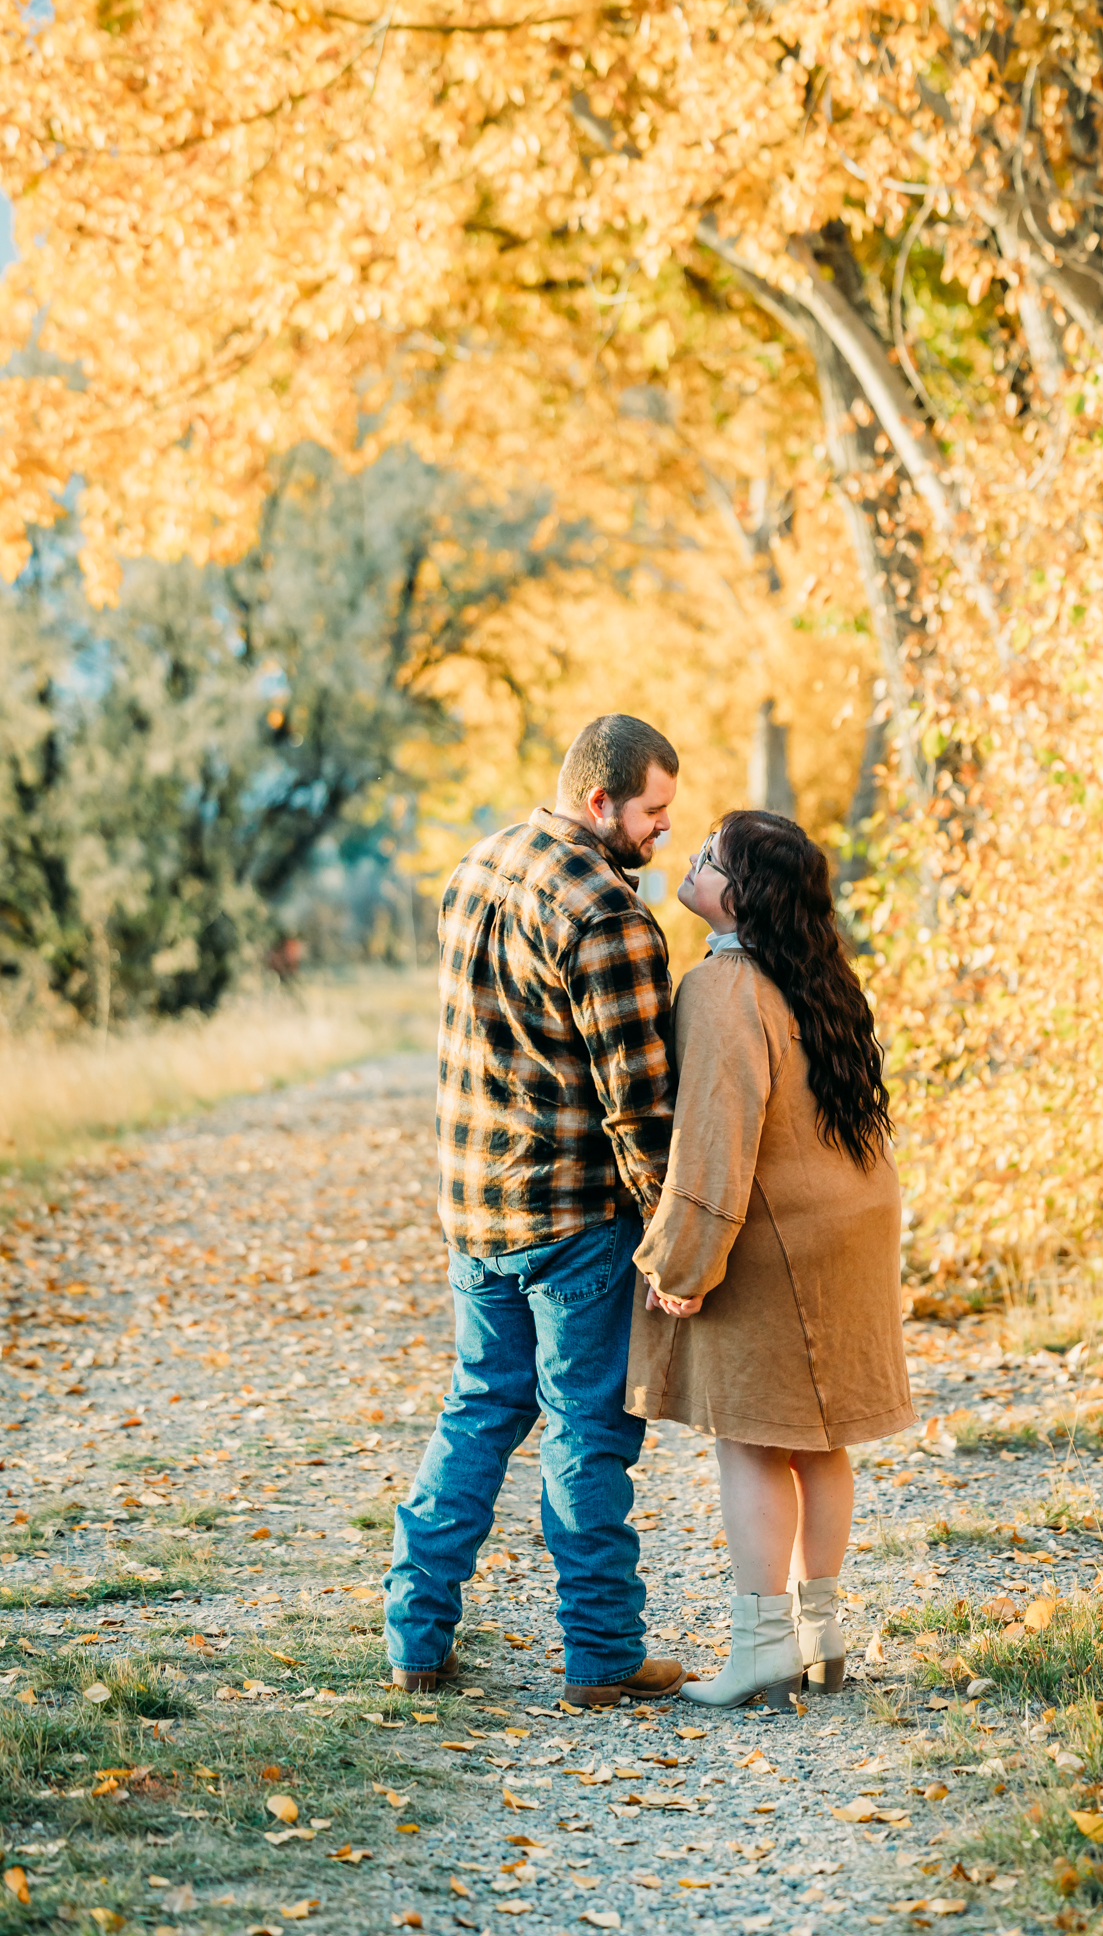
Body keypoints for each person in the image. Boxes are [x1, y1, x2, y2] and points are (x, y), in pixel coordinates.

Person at [383, 713, 689, 1708]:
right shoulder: (609, 916)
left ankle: (415, 1638)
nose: (661, 836)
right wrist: (671, 1240)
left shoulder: (477, 865)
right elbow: (639, 1106)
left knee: (478, 1408)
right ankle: (602, 1654)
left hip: (474, 1212)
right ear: (599, 801)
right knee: (586, 1431)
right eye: (652, 814)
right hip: (571, 1223)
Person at [627, 809, 914, 1710]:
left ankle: (760, 1649)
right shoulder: (813, 973)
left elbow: (713, 1145)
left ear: (741, 895)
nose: (692, 858)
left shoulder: (719, 988)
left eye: (710, 855)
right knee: (820, 1438)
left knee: (752, 1441)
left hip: (779, 1236)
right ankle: (821, 1635)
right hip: (852, 1221)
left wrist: (681, 1267)